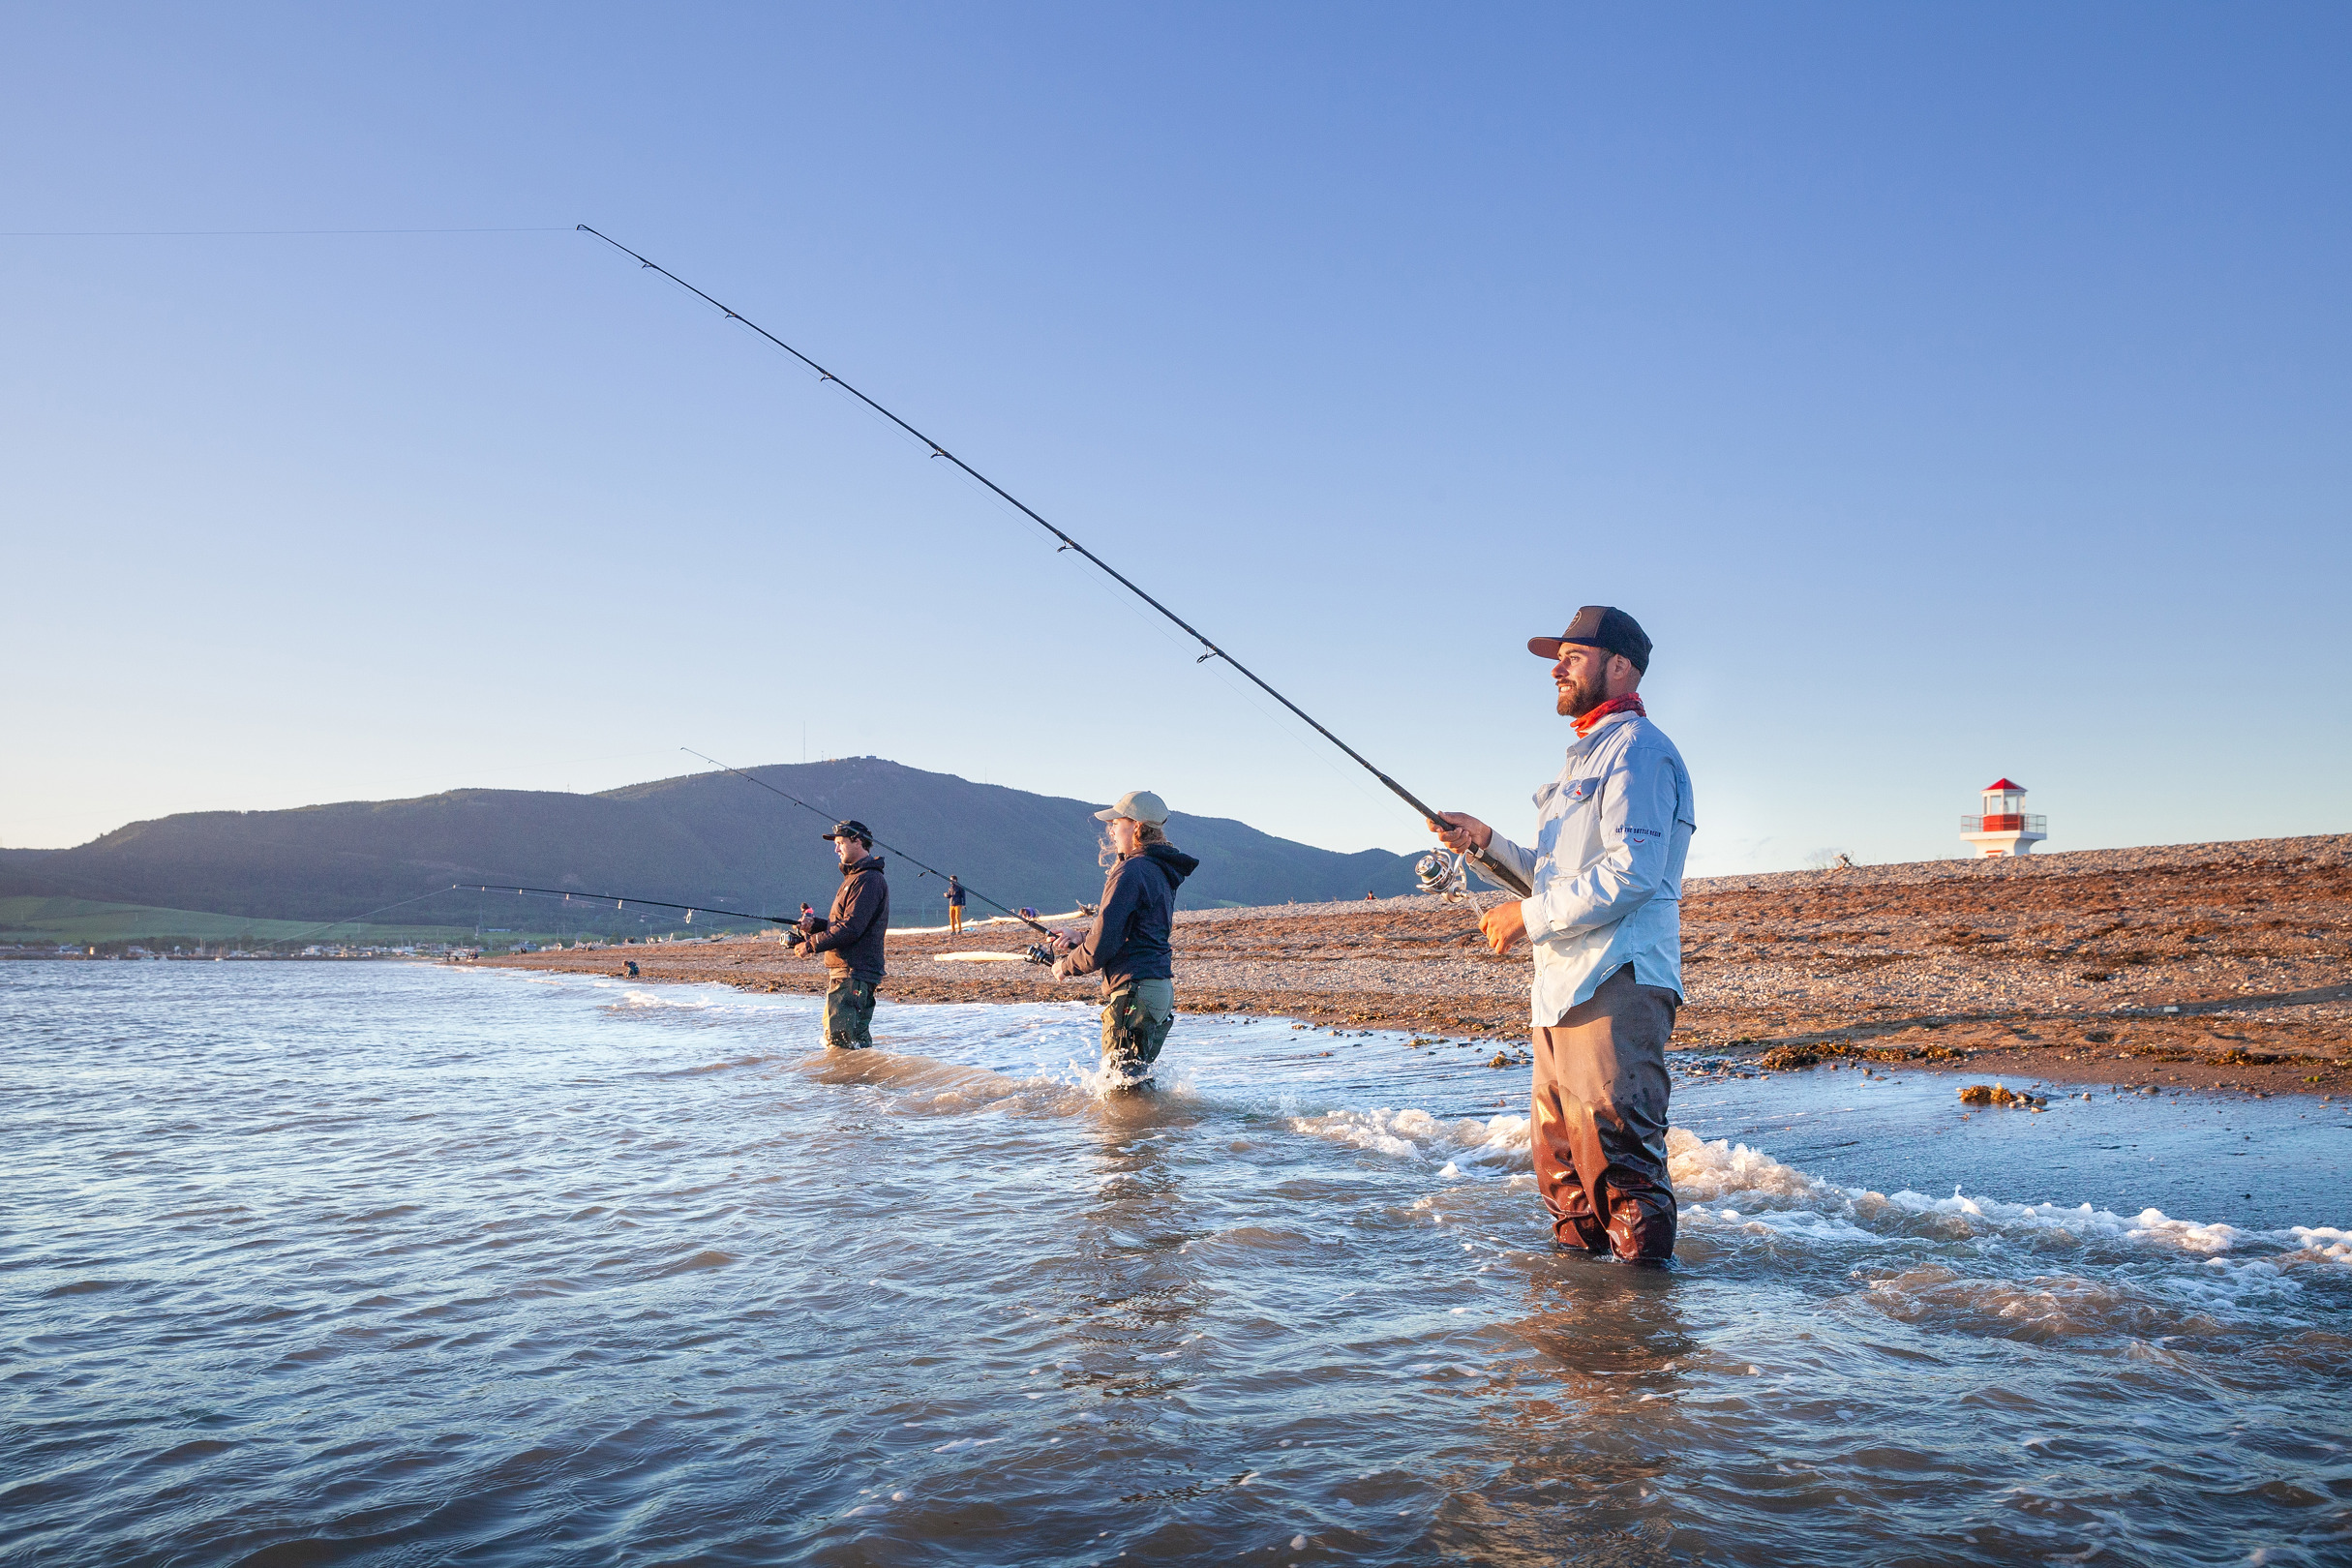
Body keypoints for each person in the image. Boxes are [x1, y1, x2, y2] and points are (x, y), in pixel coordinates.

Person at [1432, 606, 1695, 1262]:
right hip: (1560, 990)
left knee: (1623, 1171)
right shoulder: (1587, 756)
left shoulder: (1640, 751)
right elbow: (1557, 878)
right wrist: (1488, 846)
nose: (1557, 666)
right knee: (1565, 1182)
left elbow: (1635, 872)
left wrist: (1526, 917)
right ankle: (1578, 1333)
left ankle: (1640, 1342)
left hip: (1617, 981)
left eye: (1573, 655)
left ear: (1619, 666)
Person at [1049, 790, 1199, 1085]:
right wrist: (1080, 936)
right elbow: (1134, 930)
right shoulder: (1157, 868)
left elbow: (1101, 947)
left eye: (1117, 822)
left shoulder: (1131, 870)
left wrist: (1064, 966)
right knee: (1135, 1091)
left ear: (1137, 827)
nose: (1112, 829)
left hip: (1135, 994)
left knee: (1121, 1097)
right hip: (1156, 991)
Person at [790, 820, 891, 1049]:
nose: (836, 849)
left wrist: (811, 945)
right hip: (850, 972)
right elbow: (846, 924)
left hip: (853, 973)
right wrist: (815, 925)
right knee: (852, 1044)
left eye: (840, 843)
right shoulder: (856, 878)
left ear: (857, 841)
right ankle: (862, 1084)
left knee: (841, 1045)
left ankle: (851, 1085)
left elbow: (851, 929)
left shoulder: (868, 879)